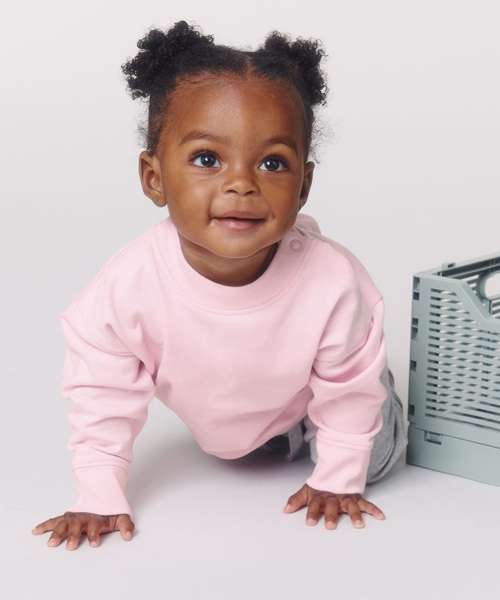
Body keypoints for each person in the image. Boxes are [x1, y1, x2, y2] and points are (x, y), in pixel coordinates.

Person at [31, 20, 408, 551]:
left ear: (304, 185)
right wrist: (97, 494)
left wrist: (338, 477)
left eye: (272, 163)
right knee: (242, 448)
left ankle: (369, 386)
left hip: (317, 388)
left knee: (375, 456)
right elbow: (102, 394)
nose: (241, 184)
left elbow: (347, 394)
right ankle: (266, 428)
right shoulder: (127, 287)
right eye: (207, 159)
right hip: (242, 410)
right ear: (154, 178)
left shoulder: (334, 284)